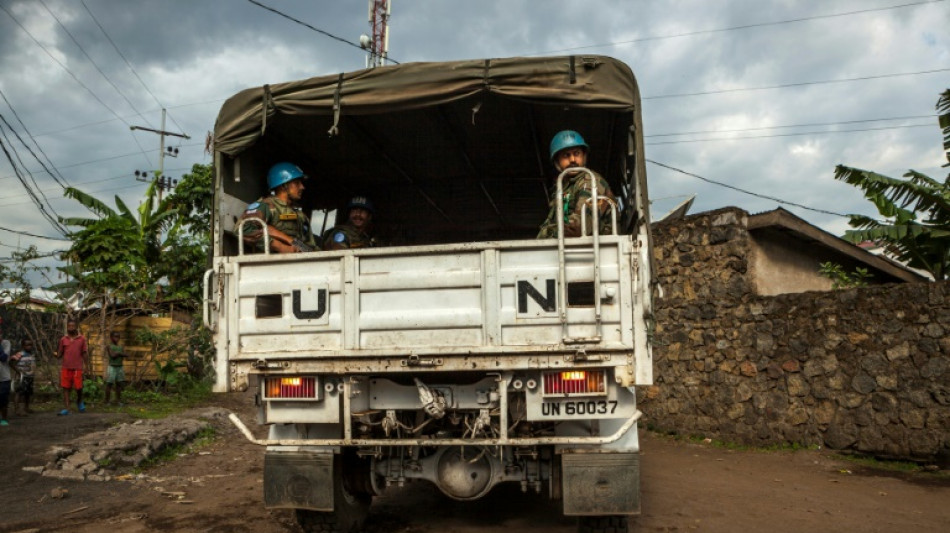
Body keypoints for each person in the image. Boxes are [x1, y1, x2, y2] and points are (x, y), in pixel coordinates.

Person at [537, 130, 617, 239]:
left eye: (577, 154)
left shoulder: (591, 180)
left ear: (584, 156)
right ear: (557, 161)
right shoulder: (563, 187)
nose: (572, 160)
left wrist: (547, 233)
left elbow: (579, 226)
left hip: (602, 247)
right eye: (566, 155)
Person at [240, 162, 319, 253]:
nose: (302, 187)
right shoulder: (266, 206)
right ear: (283, 186)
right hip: (273, 264)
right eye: (297, 183)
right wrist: (280, 246)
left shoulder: (301, 216)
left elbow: (311, 246)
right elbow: (245, 229)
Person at [56, 319, 88, 415]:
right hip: (66, 367)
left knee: (78, 387)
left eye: (73, 326)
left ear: (76, 327)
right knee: (66, 387)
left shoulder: (81, 339)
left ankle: (79, 401)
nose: (71, 328)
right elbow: (60, 353)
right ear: (67, 327)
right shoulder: (63, 339)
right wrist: (56, 354)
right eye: (69, 326)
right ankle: (67, 408)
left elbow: (84, 353)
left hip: (77, 367)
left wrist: (86, 365)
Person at [12, 338, 35, 416]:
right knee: (19, 392)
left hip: (30, 376)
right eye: (27, 345)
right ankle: (16, 409)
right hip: (22, 377)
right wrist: (18, 371)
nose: (29, 346)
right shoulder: (20, 354)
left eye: (31, 345)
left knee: (27, 393)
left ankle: (26, 407)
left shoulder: (31, 354)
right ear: (23, 346)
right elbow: (11, 362)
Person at [103, 331, 126, 406]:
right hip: (112, 367)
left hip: (120, 367)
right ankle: (107, 401)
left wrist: (118, 353)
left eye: (118, 337)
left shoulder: (120, 346)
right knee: (109, 384)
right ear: (111, 337)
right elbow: (112, 355)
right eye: (115, 336)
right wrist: (119, 353)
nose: (117, 338)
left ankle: (118, 400)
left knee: (119, 384)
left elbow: (126, 354)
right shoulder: (109, 346)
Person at [0, 330, 10, 426]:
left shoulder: (6, 343)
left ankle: (4, 418)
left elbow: (3, 358)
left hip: (4, 377)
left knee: (3, 398)